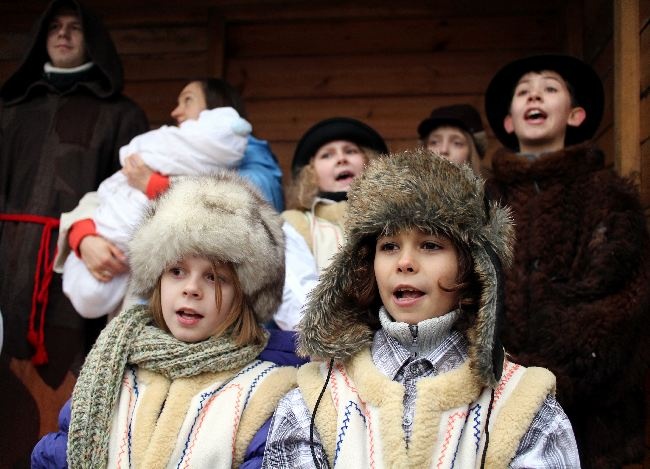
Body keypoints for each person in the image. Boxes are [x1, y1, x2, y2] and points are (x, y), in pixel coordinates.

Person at [263, 149, 579, 468]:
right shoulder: (315, 397)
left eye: (430, 245)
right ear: (364, 264)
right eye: (388, 246)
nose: (404, 263)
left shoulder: (523, 402)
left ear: (472, 266)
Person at [33, 173, 302, 468]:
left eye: (214, 277)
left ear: (245, 296)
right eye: (177, 271)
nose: (191, 288)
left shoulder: (268, 390)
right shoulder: (112, 368)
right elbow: (59, 453)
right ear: (156, 280)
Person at [0, 0, 148, 465]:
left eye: (75, 28)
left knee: (67, 380)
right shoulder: (10, 109)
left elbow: (128, 198)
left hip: (78, 268)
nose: (64, 35)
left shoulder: (121, 114)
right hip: (6, 263)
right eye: (55, 28)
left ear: (93, 40)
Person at [484, 54, 650, 468]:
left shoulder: (609, 196)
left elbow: (621, 301)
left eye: (549, 88)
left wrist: (551, 376)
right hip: (493, 407)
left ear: (575, 115)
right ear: (509, 123)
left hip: (591, 416)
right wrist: (499, 378)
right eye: (523, 92)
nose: (534, 94)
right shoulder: (483, 202)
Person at [54, 78, 284, 318]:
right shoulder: (167, 150)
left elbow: (258, 201)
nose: (176, 112)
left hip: (206, 307)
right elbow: (109, 192)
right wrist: (83, 234)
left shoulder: (248, 152)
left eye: (188, 100)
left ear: (218, 106)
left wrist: (154, 185)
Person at [275, 117, 388, 330]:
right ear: (311, 174)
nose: (341, 159)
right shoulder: (296, 224)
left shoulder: (397, 216)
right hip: (331, 344)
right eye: (327, 155)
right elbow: (296, 296)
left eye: (351, 151)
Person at [417, 103, 488, 175]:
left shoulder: (490, 186)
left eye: (457, 143)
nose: (443, 150)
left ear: (472, 153)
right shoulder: (406, 185)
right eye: (434, 142)